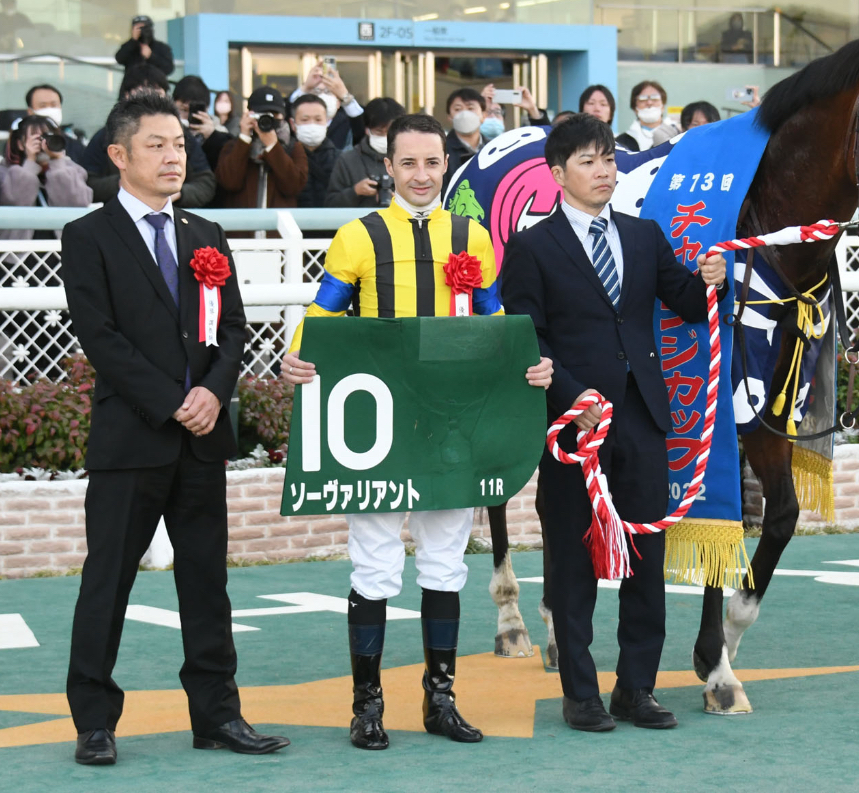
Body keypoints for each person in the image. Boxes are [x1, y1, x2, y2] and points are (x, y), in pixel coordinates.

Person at [279, 112, 553, 750]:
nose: (422, 174)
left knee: (444, 563)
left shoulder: (473, 236)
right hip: (380, 424)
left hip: (451, 423)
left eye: (433, 163)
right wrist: (295, 355)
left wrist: (528, 362)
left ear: (445, 165)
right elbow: (322, 315)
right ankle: (366, 705)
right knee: (374, 565)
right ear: (389, 167)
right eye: (409, 164)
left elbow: (496, 322)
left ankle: (440, 699)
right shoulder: (358, 235)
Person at [60, 90, 289, 765]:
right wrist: (173, 401)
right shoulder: (87, 237)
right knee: (107, 582)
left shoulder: (205, 234)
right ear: (118, 155)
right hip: (132, 440)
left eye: (178, 144)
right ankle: (94, 721)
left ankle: (217, 714)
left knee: (205, 582)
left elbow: (235, 329)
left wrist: (213, 394)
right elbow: (101, 338)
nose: (172, 155)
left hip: (202, 438)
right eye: (155, 144)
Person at [501, 114, 727, 733]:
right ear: (556, 174)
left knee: (646, 560)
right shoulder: (531, 248)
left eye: (609, 160)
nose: (603, 172)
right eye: (588, 162)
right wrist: (578, 400)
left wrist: (712, 280)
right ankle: (581, 695)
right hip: (575, 432)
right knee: (572, 567)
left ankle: (637, 688)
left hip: (645, 421)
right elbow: (530, 340)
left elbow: (686, 300)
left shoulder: (644, 234)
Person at [80, 65, 216, 208]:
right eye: (157, 145)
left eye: (179, 146)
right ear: (126, 95)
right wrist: (121, 183)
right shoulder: (106, 136)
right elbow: (86, 182)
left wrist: (179, 193)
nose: (173, 158)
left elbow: (206, 182)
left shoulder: (182, 135)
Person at [1, 114, 92, 242]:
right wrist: (30, 162)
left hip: (59, 250)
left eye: (48, 138)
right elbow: (15, 200)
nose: (43, 144)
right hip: (17, 254)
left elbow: (77, 204)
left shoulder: (71, 169)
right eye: (37, 138)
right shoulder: (5, 171)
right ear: (20, 144)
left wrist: (57, 162)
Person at [214, 85, 307, 209]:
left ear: (283, 117)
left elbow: (293, 186)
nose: (267, 120)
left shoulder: (294, 147)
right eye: (261, 114)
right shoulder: (233, 146)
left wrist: (273, 146)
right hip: (244, 226)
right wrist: (244, 138)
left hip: (279, 226)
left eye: (274, 115)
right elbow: (229, 182)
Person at [326, 97, 404, 208]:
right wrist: (355, 192)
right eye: (379, 132)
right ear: (367, 130)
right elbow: (330, 205)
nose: (386, 137)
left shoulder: (413, 159)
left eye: (391, 132)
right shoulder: (348, 160)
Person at [291, 63, 365, 150]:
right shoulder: (298, 121)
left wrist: (345, 96)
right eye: (317, 91)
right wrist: (304, 88)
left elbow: (361, 133)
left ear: (338, 101)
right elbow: (289, 109)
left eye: (327, 92)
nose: (322, 96)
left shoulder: (347, 122)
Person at [291, 94, 340, 208]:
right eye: (305, 119)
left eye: (318, 119)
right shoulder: (285, 157)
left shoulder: (342, 160)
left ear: (327, 122)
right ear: (293, 124)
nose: (312, 124)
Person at [172, 75, 227, 170]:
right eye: (183, 110)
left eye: (194, 111)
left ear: (207, 108)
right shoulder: (166, 129)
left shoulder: (220, 132)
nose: (189, 116)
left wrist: (212, 137)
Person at [21, 83, 87, 162]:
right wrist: (30, 158)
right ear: (30, 112)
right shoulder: (20, 144)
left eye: (54, 105)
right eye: (43, 106)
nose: (49, 110)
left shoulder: (74, 146)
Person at [616, 80, 677, 152]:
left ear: (663, 106)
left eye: (655, 99)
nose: (649, 103)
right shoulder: (621, 142)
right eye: (643, 99)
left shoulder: (676, 135)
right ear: (635, 108)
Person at [444, 87, 487, 187]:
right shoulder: (442, 150)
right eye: (457, 109)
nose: (464, 114)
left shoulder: (494, 147)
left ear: (484, 115)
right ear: (450, 118)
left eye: (471, 108)